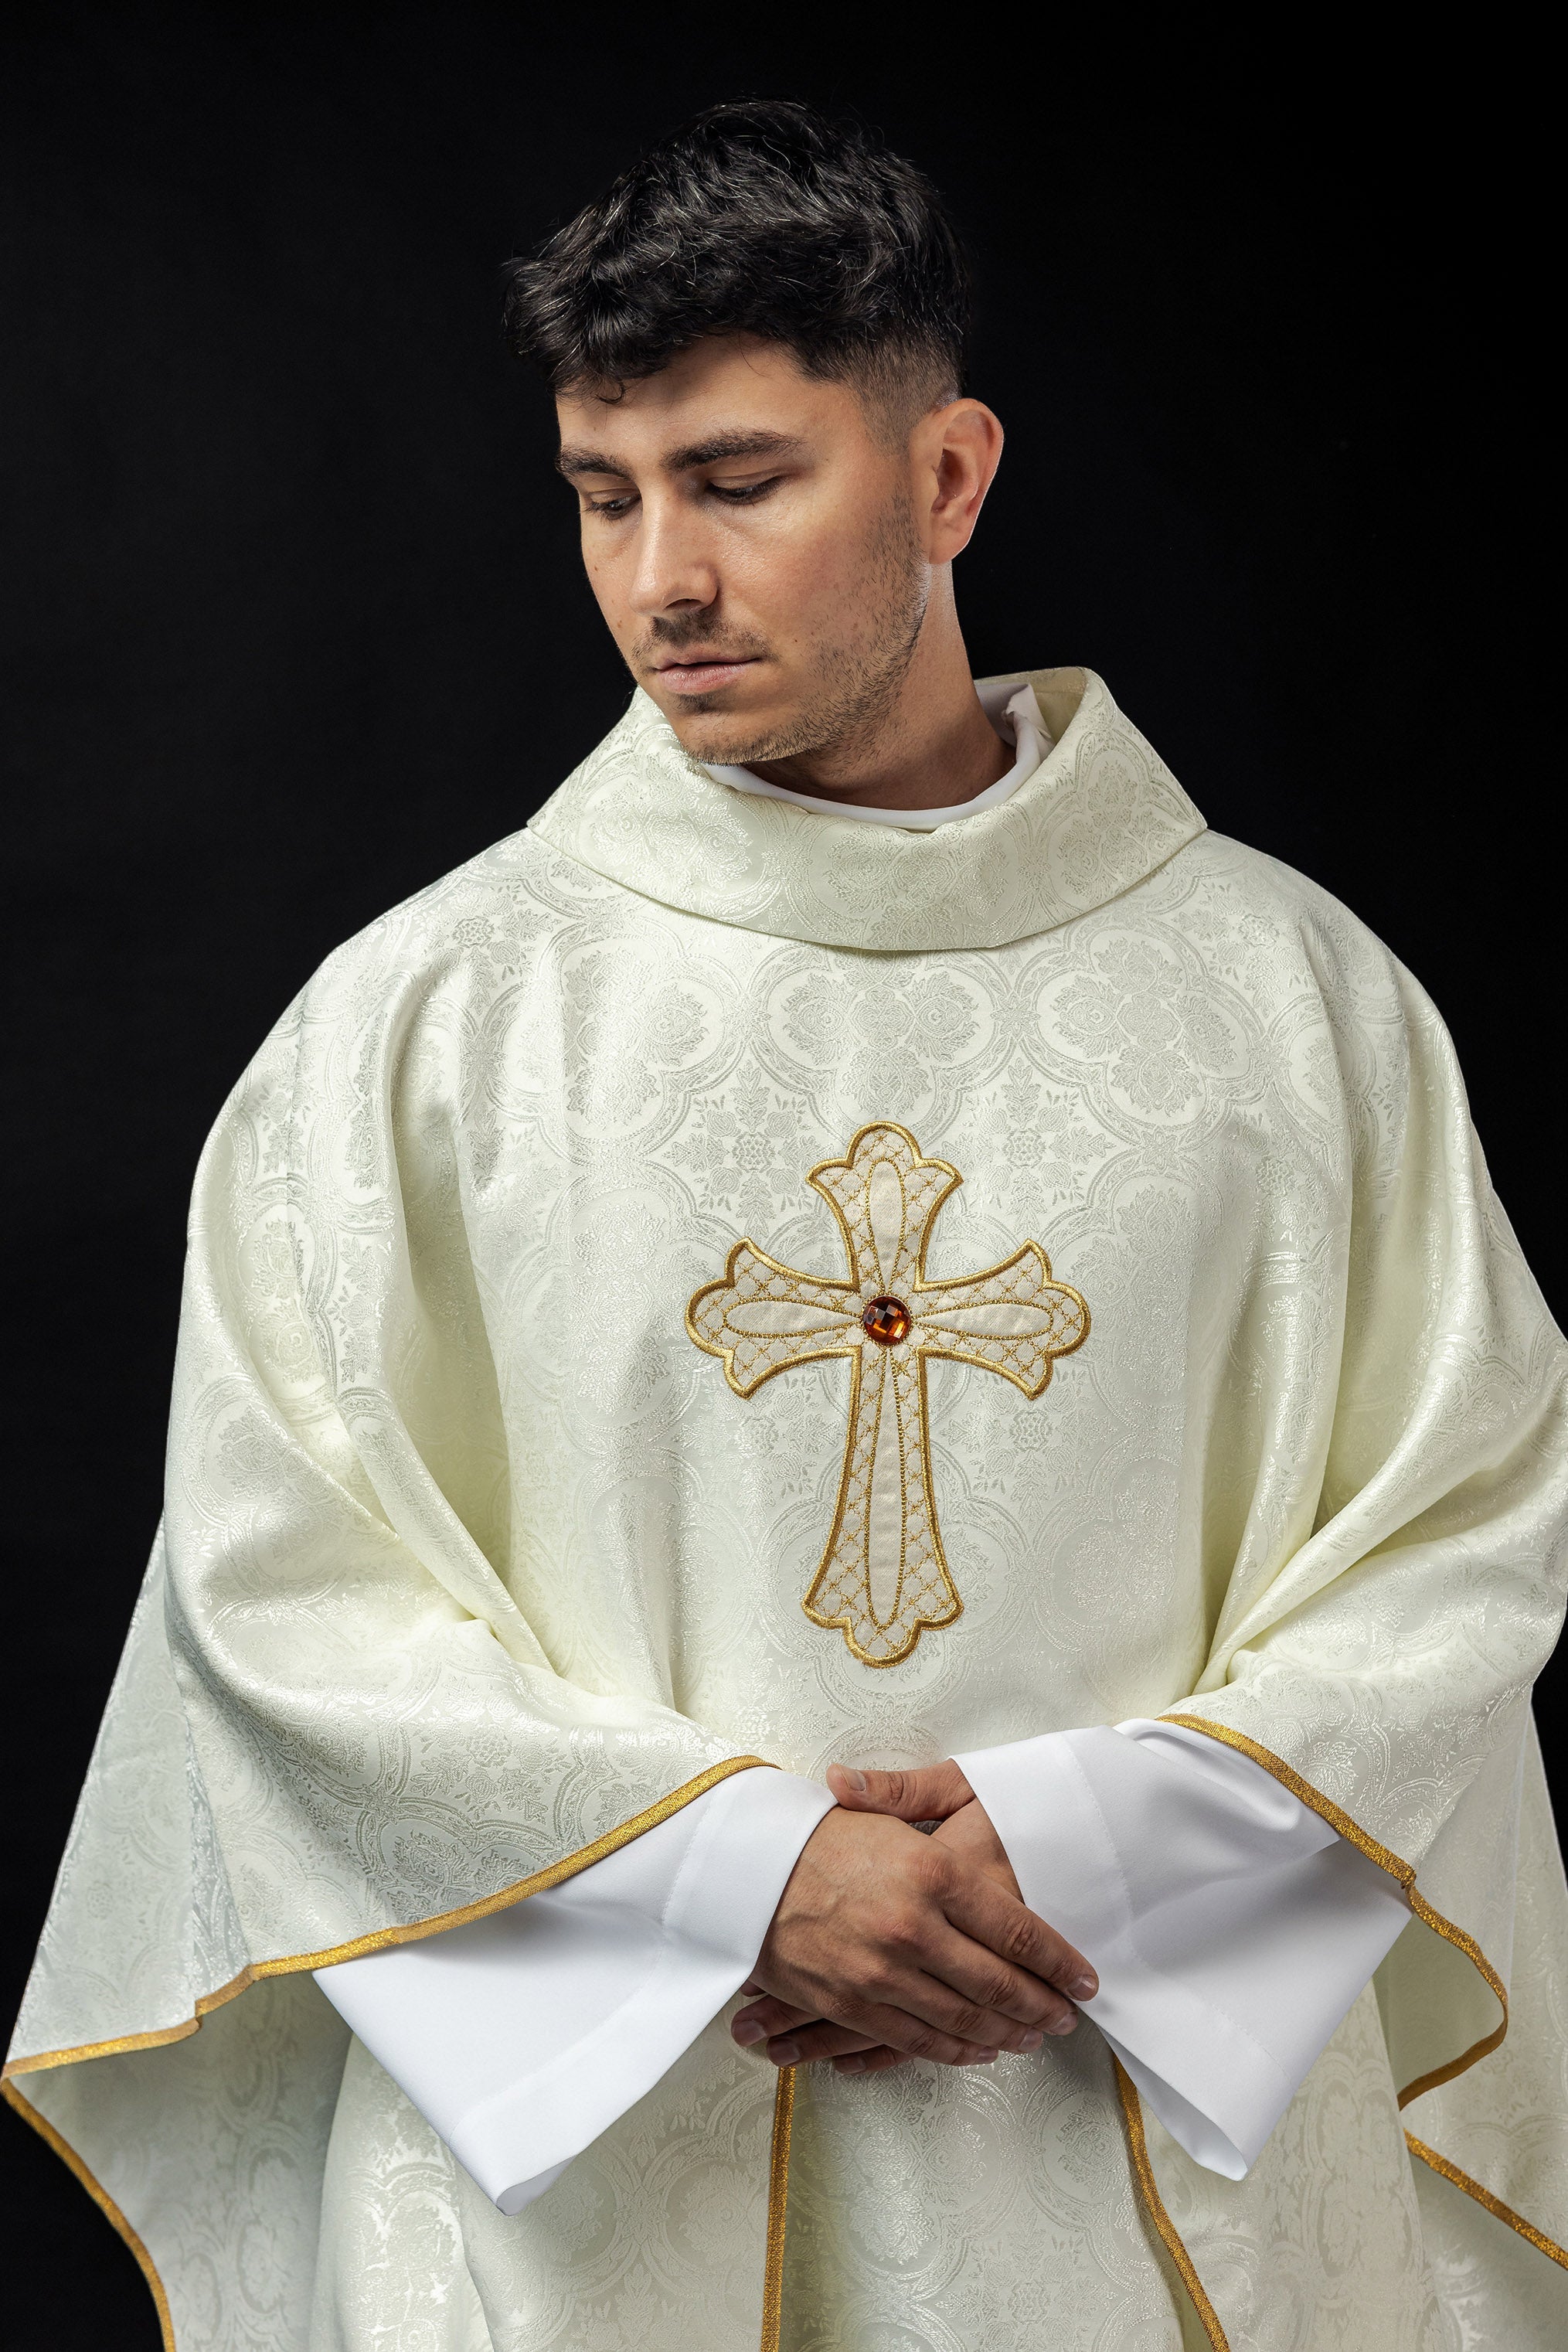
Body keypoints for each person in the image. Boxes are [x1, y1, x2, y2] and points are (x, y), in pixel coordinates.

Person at [7, 98, 1567, 2352]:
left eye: (741, 481)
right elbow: (282, 1586)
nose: (663, 580)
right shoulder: (427, 1022)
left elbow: (1466, 1513)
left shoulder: (1288, 1004)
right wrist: (734, 1881)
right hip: (591, 2190)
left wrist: (1110, 1844)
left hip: (1120, 2119)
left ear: (947, 481)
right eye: (603, 495)